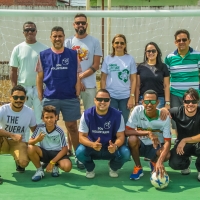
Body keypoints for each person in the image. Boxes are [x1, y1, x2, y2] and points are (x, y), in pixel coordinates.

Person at [36, 26, 82, 168]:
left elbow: (77, 75)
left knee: (72, 127)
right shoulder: (43, 55)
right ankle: (48, 156)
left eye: (60, 36)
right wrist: (40, 95)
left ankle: (78, 156)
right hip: (51, 97)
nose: (57, 38)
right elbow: (39, 77)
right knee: (49, 128)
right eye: (55, 36)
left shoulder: (73, 54)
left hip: (69, 97)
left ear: (64, 37)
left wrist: (78, 90)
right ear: (51, 38)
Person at [75, 89, 130, 178]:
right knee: (79, 152)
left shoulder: (118, 115)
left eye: (106, 100)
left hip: (110, 148)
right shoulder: (86, 114)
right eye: (99, 99)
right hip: (93, 148)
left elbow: (121, 136)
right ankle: (90, 168)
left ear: (110, 101)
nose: (103, 102)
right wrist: (92, 144)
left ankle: (113, 167)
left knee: (125, 153)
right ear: (95, 100)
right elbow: (81, 137)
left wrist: (115, 146)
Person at [9, 21, 48, 141]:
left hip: (39, 88)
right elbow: (13, 70)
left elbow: (48, 70)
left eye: (32, 30)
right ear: (23, 32)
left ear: (36, 31)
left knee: (40, 118)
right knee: (23, 117)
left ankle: (42, 145)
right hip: (23, 88)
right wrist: (15, 89)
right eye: (27, 30)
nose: (29, 32)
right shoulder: (18, 48)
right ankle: (23, 143)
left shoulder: (44, 49)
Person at [125, 90, 171, 180]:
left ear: (158, 102)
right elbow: (127, 131)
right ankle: (138, 167)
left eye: (153, 101)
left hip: (155, 147)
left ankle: (154, 162)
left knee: (167, 155)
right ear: (142, 102)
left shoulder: (164, 117)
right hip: (140, 145)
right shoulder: (137, 110)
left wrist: (160, 162)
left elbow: (168, 142)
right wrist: (148, 133)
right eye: (146, 101)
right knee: (132, 139)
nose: (149, 104)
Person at [165, 29, 200, 133]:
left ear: (189, 41)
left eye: (184, 39)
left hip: (194, 95)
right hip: (175, 94)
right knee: (176, 122)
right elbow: (166, 78)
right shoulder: (169, 58)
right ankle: (178, 142)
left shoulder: (197, 55)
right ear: (175, 42)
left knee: (196, 121)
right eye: (179, 40)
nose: (181, 42)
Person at [65, 13, 102, 110]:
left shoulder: (95, 41)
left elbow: (96, 65)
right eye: (78, 23)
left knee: (89, 115)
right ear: (74, 25)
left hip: (89, 85)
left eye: (83, 23)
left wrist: (80, 77)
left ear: (87, 25)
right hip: (72, 85)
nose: (80, 25)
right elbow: (66, 65)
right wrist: (77, 81)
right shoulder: (68, 42)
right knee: (72, 116)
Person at [28, 105, 72, 182]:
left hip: (57, 153)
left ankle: (55, 165)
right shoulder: (39, 127)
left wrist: (52, 162)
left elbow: (65, 149)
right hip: (44, 152)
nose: (49, 120)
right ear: (43, 119)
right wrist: (37, 140)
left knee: (67, 167)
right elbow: (29, 142)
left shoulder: (59, 131)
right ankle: (39, 170)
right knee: (30, 148)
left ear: (56, 117)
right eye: (46, 117)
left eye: (51, 117)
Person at [101, 34, 137, 124]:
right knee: (110, 122)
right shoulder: (108, 59)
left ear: (125, 45)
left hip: (125, 97)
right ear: (113, 44)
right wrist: (104, 96)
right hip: (111, 96)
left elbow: (133, 79)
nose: (119, 45)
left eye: (122, 43)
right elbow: (103, 79)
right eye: (117, 43)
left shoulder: (130, 59)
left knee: (123, 123)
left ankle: (123, 139)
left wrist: (131, 97)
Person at [0, 85, 37, 173]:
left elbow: (35, 131)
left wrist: (33, 145)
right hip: (3, 140)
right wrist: (11, 135)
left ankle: (18, 160)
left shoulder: (30, 112)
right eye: (16, 97)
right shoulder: (3, 109)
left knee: (23, 163)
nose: (18, 100)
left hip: (19, 142)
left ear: (25, 98)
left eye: (21, 98)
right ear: (10, 98)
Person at [168, 88, 200, 181]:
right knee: (174, 163)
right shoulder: (177, 111)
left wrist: (185, 140)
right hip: (183, 146)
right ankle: (186, 163)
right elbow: (163, 111)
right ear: (183, 102)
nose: (190, 104)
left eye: (193, 101)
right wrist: (163, 110)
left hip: (197, 143)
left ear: (197, 102)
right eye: (187, 101)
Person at [136, 42, 170, 109]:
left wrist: (167, 102)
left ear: (157, 52)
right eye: (148, 51)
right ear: (145, 53)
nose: (151, 53)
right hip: (143, 99)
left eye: (153, 51)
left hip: (159, 100)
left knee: (158, 119)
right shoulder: (140, 67)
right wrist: (136, 102)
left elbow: (166, 86)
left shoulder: (163, 67)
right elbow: (137, 86)